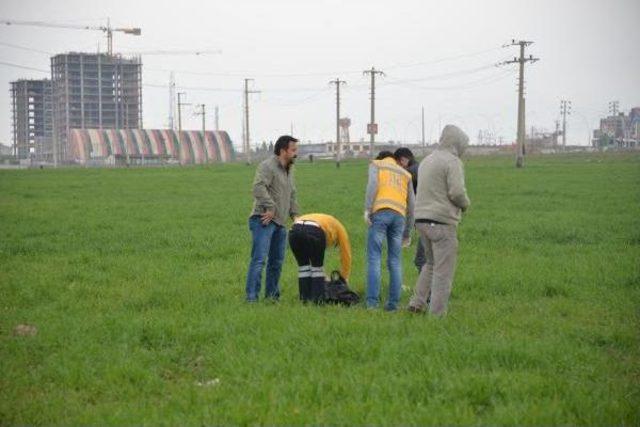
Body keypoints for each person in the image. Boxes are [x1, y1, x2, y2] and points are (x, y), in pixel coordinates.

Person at [408, 125, 470, 316]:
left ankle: (416, 303)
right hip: (442, 222)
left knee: (431, 264)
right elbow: (457, 192)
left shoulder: (428, 160)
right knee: (443, 271)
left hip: (421, 220)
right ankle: (437, 314)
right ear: (458, 143)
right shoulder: (452, 162)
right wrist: (465, 204)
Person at [245, 135, 299, 302]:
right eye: (293, 150)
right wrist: (271, 207)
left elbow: (292, 194)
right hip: (264, 220)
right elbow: (258, 187)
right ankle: (252, 298)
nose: (296, 153)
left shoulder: (289, 169)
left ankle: (271, 297)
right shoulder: (267, 166)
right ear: (283, 151)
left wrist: (295, 216)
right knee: (259, 260)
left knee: (276, 262)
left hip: (280, 223)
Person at [364, 150, 415, 311]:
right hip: (399, 217)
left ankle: (372, 303)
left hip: (380, 213)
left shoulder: (377, 165)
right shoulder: (405, 174)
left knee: (374, 258)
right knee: (395, 261)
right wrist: (407, 233)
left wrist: (367, 209)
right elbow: (412, 206)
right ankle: (393, 305)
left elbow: (372, 186)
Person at [288, 213, 352, 303]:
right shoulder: (340, 228)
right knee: (317, 268)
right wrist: (344, 277)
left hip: (294, 231)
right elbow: (346, 253)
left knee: (303, 267)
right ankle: (318, 301)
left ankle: (304, 299)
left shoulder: (324, 221)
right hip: (314, 230)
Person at [393, 147, 427, 273]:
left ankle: (426, 291)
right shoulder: (420, 167)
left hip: (426, 217)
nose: (399, 167)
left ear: (403, 160)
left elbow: (411, 204)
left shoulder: (409, 173)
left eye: (398, 164)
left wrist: (406, 233)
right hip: (433, 216)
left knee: (421, 259)